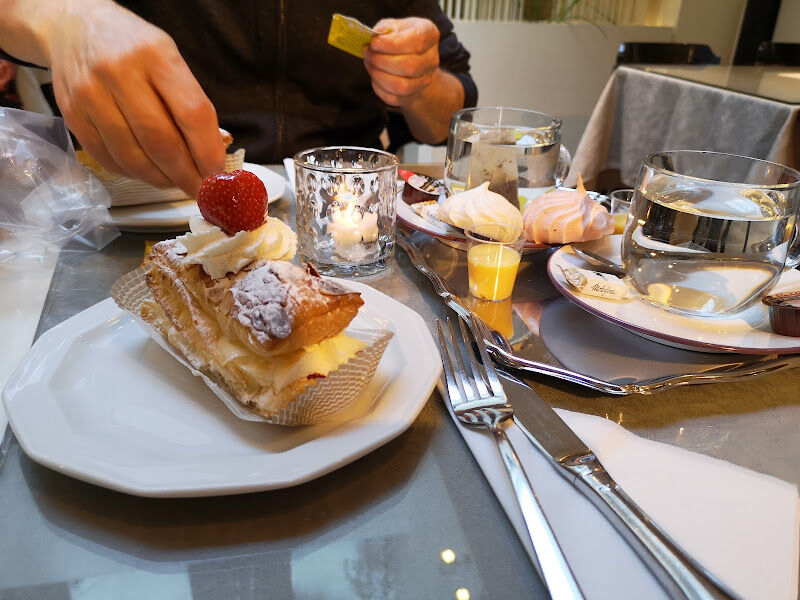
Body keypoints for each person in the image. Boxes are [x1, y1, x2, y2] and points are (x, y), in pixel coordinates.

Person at [0, 0, 477, 196]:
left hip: (343, 202)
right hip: (157, 197)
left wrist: (421, 83)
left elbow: (447, 120)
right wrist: (62, 18)